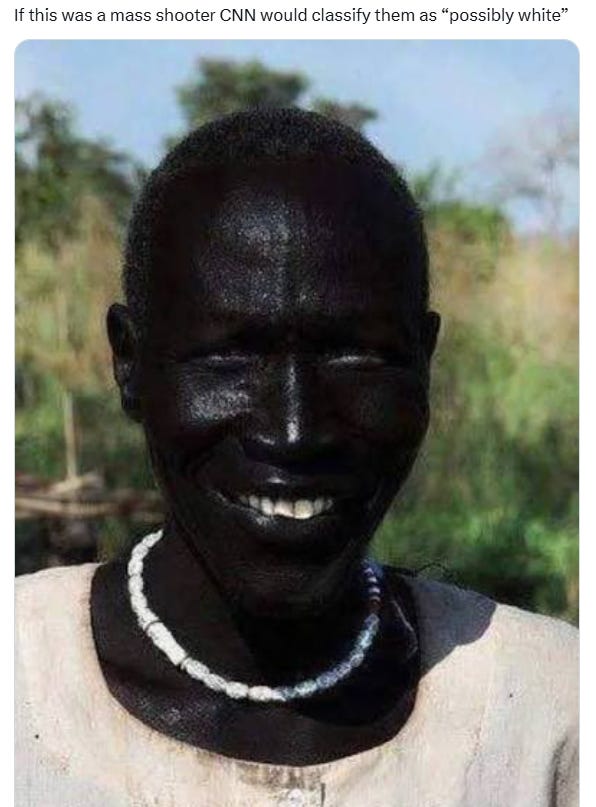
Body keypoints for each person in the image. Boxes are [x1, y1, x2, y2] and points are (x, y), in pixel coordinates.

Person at [15, 108, 578, 806]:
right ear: (129, 365)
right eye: (230, 356)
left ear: (423, 365)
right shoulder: (23, 687)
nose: (293, 431)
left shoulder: (551, 715)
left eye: (356, 357)